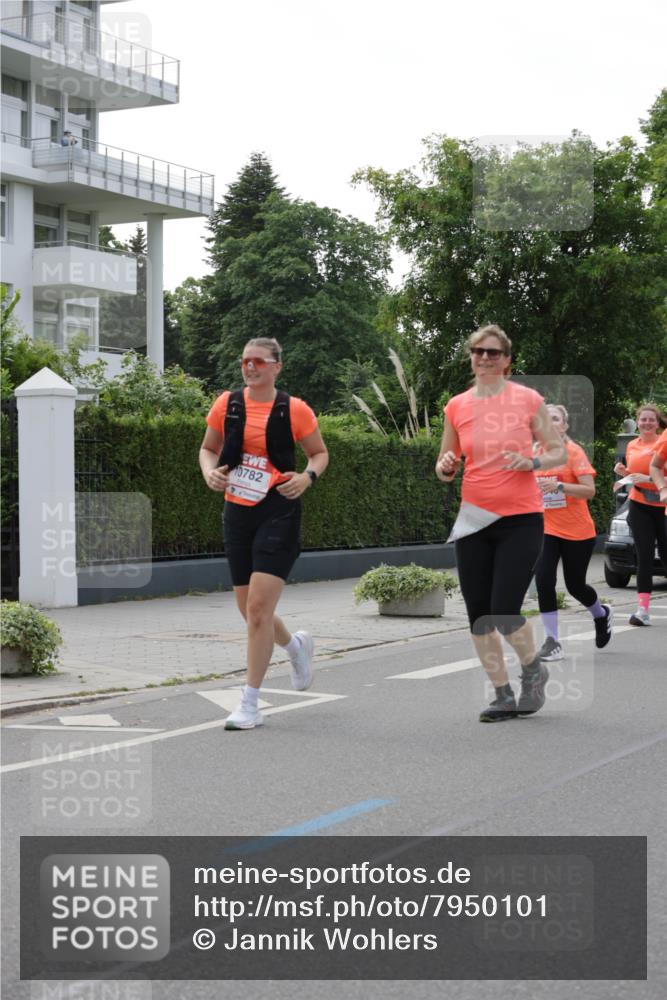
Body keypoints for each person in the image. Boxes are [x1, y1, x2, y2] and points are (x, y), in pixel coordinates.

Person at [436, 325, 566, 723]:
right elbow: (446, 462)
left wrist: (533, 463)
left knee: (504, 609)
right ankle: (503, 695)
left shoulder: (527, 400)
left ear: (507, 360)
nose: (485, 358)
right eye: (478, 351)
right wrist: (445, 467)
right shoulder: (457, 405)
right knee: (478, 615)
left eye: (493, 352)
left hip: (520, 519)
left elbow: (557, 451)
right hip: (474, 519)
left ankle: (532, 669)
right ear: (471, 357)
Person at [199, 338, 329, 730]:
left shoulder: (295, 409)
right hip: (237, 512)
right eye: (244, 361)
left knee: (257, 610)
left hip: (279, 511)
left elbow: (319, 454)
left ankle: (250, 703)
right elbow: (208, 449)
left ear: (276, 366)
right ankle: (295, 647)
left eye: (258, 361)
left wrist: (306, 478)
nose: (249, 367)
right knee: (248, 610)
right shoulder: (227, 404)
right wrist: (210, 472)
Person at [533, 404, 613, 660]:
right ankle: (552, 641)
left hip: (577, 530)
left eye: (555, 418)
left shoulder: (573, 452)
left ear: (564, 426)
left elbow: (589, 491)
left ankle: (601, 614)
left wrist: (559, 486)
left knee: (575, 586)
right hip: (546, 528)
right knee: (544, 579)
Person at [615, 404, 667, 625]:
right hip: (639, 505)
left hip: (663, 506)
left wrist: (647, 480)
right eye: (643, 419)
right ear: (637, 422)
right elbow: (635, 475)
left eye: (651, 420)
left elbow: (651, 475)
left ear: (658, 423)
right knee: (643, 557)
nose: (646, 423)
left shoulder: (663, 442)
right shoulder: (632, 445)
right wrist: (624, 474)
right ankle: (642, 611)